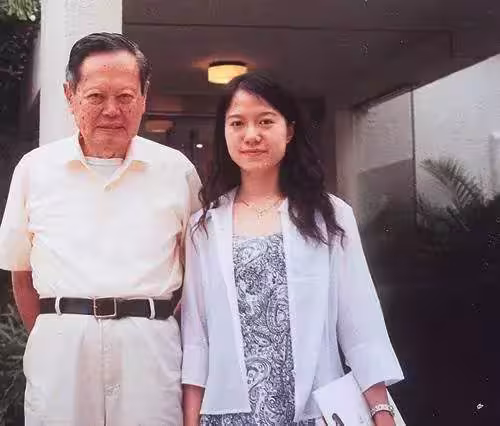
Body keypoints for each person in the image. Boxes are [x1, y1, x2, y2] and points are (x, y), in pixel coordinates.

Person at [181, 72, 404, 426]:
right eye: (237, 123)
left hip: (316, 412)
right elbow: (196, 339)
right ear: (224, 134)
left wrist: (381, 412)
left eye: (265, 121)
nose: (251, 135)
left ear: (289, 131)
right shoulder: (204, 227)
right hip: (227, 416)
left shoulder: (329, 216)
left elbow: (361, 325)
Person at [0, 32, 201, 426]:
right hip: (62, 355)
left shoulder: (176, 171)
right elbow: (21, 276)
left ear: (144, 97)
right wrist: (62, 332)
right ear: (70, 95)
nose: (112, 110)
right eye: (96, 96)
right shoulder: (35, 170)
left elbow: (195, 274)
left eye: (125, 97)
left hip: (150, 353)